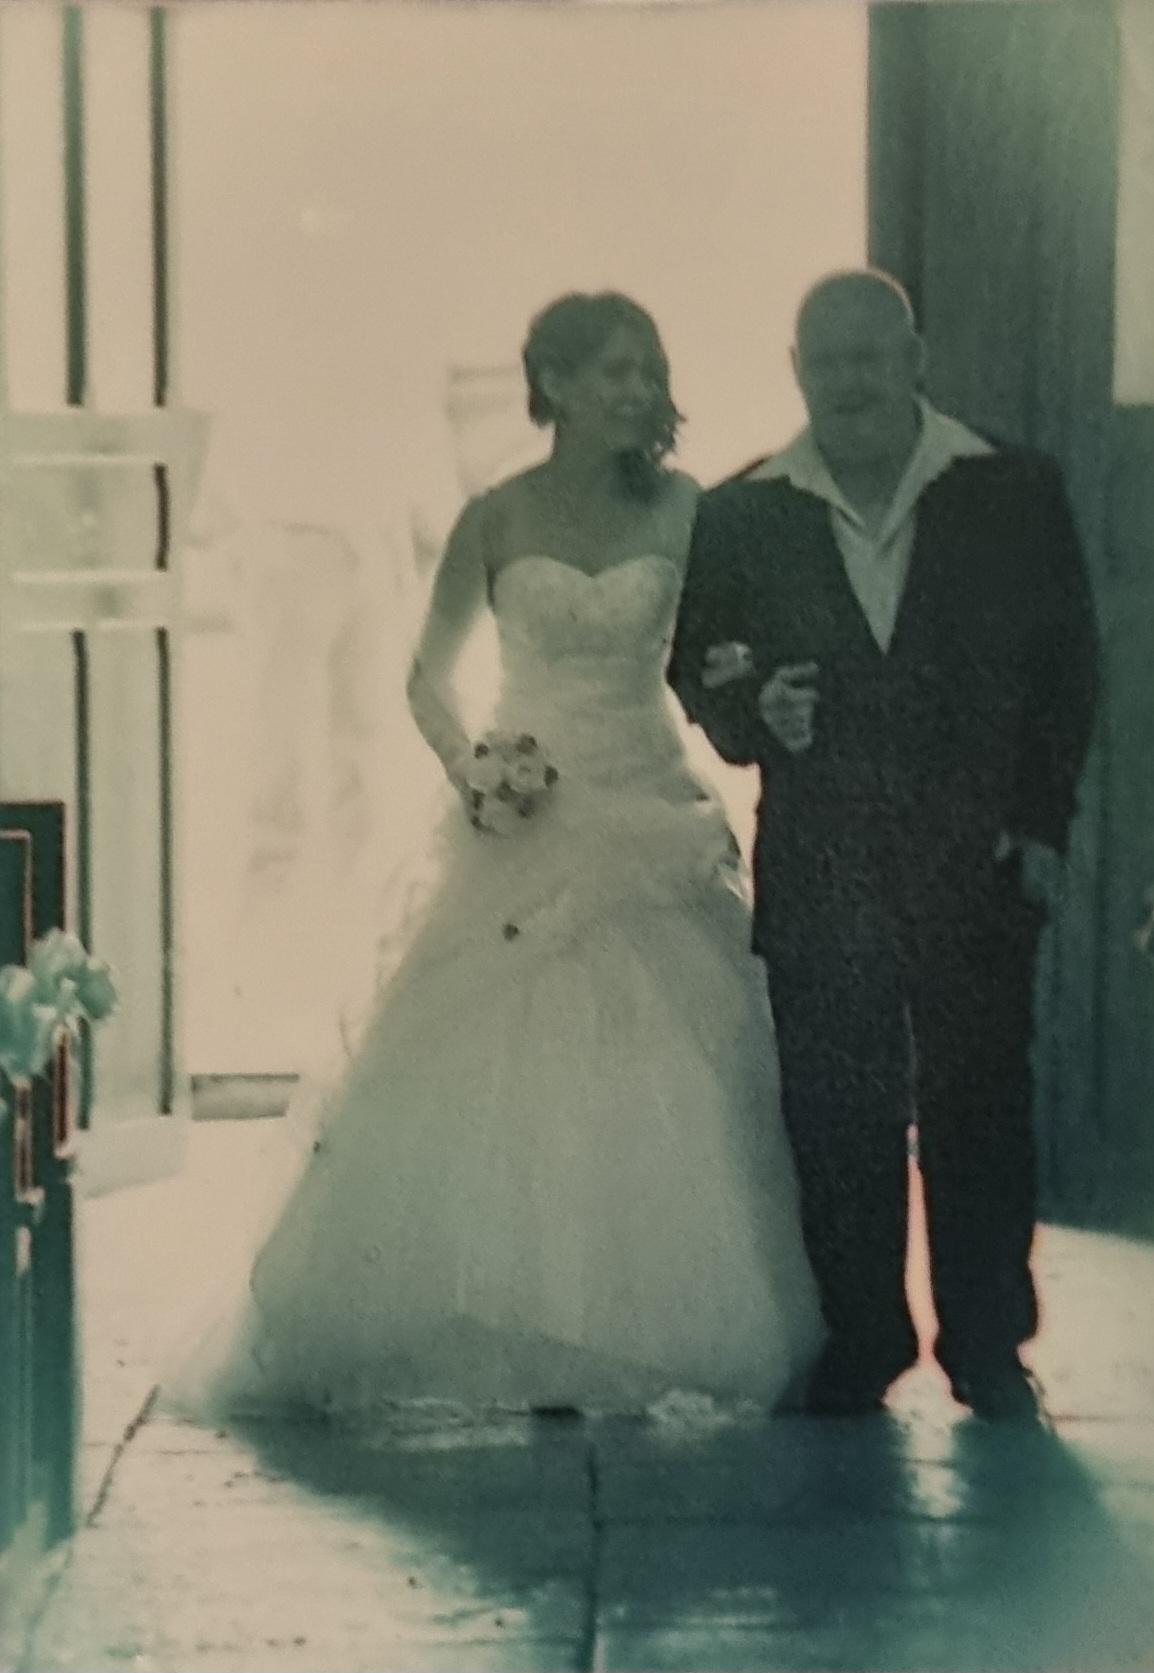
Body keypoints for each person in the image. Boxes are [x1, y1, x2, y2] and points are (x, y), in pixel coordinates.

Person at [166, 292, 822, 1425]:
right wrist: (473, 768)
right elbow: (426, 676)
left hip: (647, 799)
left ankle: (636, 1324)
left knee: (665, 1060)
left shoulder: (687, 508)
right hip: (526, 807)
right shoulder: (495, 515)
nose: (637, 390)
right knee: (496, 1062)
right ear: (552, 383)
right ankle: (512, 1318)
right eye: (613, 370)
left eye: (647, 370)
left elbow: (724, 643)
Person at [668, 269, 1099, 1422]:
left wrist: (1038, 827)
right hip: (823, 867)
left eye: (869, 356)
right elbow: (697, 667)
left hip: (978, 862)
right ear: (795, 370)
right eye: (826, 361)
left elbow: (1066, 672)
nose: (848, 380)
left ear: (913, 358)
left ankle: (988, 1348)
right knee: (836, 1113)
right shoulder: (742, 510)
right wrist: (755, 712)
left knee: (978, 1107)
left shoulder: (1010, 489)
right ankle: (862, 1339)